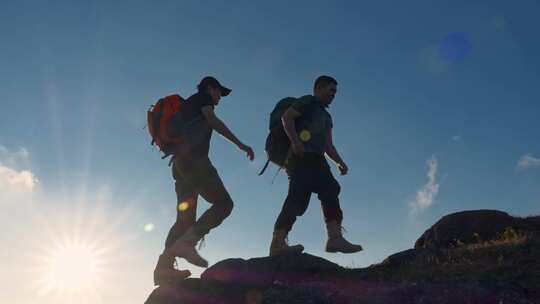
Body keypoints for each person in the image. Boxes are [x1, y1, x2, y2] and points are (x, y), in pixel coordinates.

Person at [153, 76, 254, 285]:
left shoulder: (187, 105)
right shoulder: (202, 98)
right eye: (219, 93)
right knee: (224, 204)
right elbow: (213, 121)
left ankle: (163, 269)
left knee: (184, 220)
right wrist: (240, 144)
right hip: (195, 162)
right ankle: (188, 243)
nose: (220, 98)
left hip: (180, 165)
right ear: (210, 88)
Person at [269, 75, 363, 256]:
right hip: (300, 157)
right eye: (330, 90)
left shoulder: (326, 116)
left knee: (330, 189)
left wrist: (340, 163)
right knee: (298, 200)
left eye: (335, 92)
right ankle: (278, 242)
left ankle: (334, 238)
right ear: (318, 89)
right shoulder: (308, 102)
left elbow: (328, 145)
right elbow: (287, 118)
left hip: (317, 159)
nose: (333, 95)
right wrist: (295, 141)